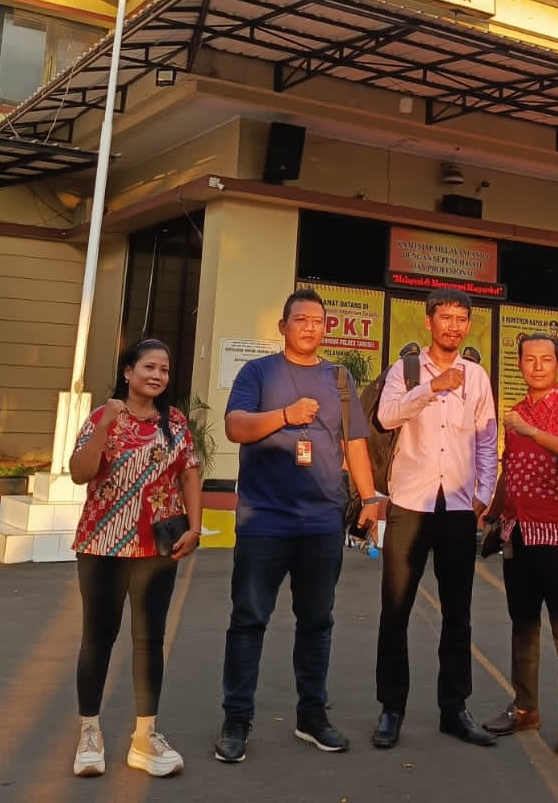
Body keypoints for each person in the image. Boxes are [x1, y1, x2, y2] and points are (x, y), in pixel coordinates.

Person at [214, 288, 382, 764]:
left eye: (318, 321)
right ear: (283, 326)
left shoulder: (339, 378)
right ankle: (236, 719)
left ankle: (312, 716)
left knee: (316, 622)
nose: (310, 327)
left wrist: (369, 497)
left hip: (321, 521)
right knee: (248, 620)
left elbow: (354, 444)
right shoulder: (258, 372)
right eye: (301, 319)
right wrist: (286, 416)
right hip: (264, 520)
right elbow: (236, 427)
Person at [68, 338, 202, 779]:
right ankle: (90, 733)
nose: (158, 375)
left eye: (164, 369)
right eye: (149, 367)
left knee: (149, 639)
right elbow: (80, 473)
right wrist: (106, 423)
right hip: (102, 544)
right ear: (128, 372)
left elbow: (189, 473)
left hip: (156, 547)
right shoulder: (102, 417)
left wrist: (195, 528)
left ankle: (145, 737)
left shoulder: (174, 421)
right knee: (97, 639)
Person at [372, 288, 499, 750]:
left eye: (461, 319)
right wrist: (431, 388)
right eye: (446, 317)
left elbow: (487, 437)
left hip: (459, 508)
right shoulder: (405, 371)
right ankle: (392, 709)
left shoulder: (477, 377)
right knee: (396, 610)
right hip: (410, 503)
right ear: (429, 321)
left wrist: (483, 494)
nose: (454, 327)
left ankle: (454, 709)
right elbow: (386, 417)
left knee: (458, 613)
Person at [480, 333, 558, 759]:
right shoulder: (516, 412)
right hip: (517, 533)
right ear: (520, 364)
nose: (538, 366)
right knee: (523, 624)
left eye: (546, 359)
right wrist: (492, 513)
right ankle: (525, 707)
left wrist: (531, 431)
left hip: (557, 534)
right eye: (530, 359)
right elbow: (510, 469)